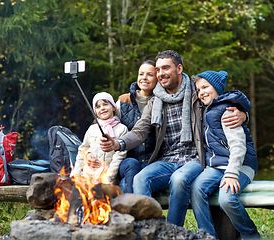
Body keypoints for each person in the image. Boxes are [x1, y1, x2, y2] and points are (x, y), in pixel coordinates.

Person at [100, 50, 246, 227]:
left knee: (179, 179)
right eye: (158, 69)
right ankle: (151, 229)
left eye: (166, 68)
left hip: (195, 158)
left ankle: (172, 230)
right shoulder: (156, 101)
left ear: (179, 68)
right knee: (140, 178)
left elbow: (223, 97)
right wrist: (117, 143)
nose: (161, 73)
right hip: (168, 159)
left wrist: (243, 112)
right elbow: (140, 130)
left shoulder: (195, 90)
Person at [191, 70, 260, 239]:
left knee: (226, 199)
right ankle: (207, 235)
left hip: (240, 166)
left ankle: (251, 235)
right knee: (196, 188)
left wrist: (231, 174)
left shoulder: (228, 111)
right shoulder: (206, 110)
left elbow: (238, 146)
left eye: (205, 87)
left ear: (217, 87)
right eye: (199, 90)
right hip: (216, 166)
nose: (202, 92)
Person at [116, 60, 157, 193]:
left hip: (152, 161)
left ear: (158, 77)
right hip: (128, 162)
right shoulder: (124, 100)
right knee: (126, 182)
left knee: (131, 184)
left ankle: (135, 211)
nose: (144, 78)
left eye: (149, 75)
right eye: (141, 74)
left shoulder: (162, 102)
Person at [71, 92, 128, 184]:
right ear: (95, 112)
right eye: (98, 107)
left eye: (105, 104)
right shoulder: (92, 128)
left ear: (113, 107)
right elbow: (83, 149)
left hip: (106, 176)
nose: (102, 108)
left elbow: (120, 156)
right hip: (88, 175)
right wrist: (76, 173)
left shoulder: (122, 129)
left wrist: (109, 178)